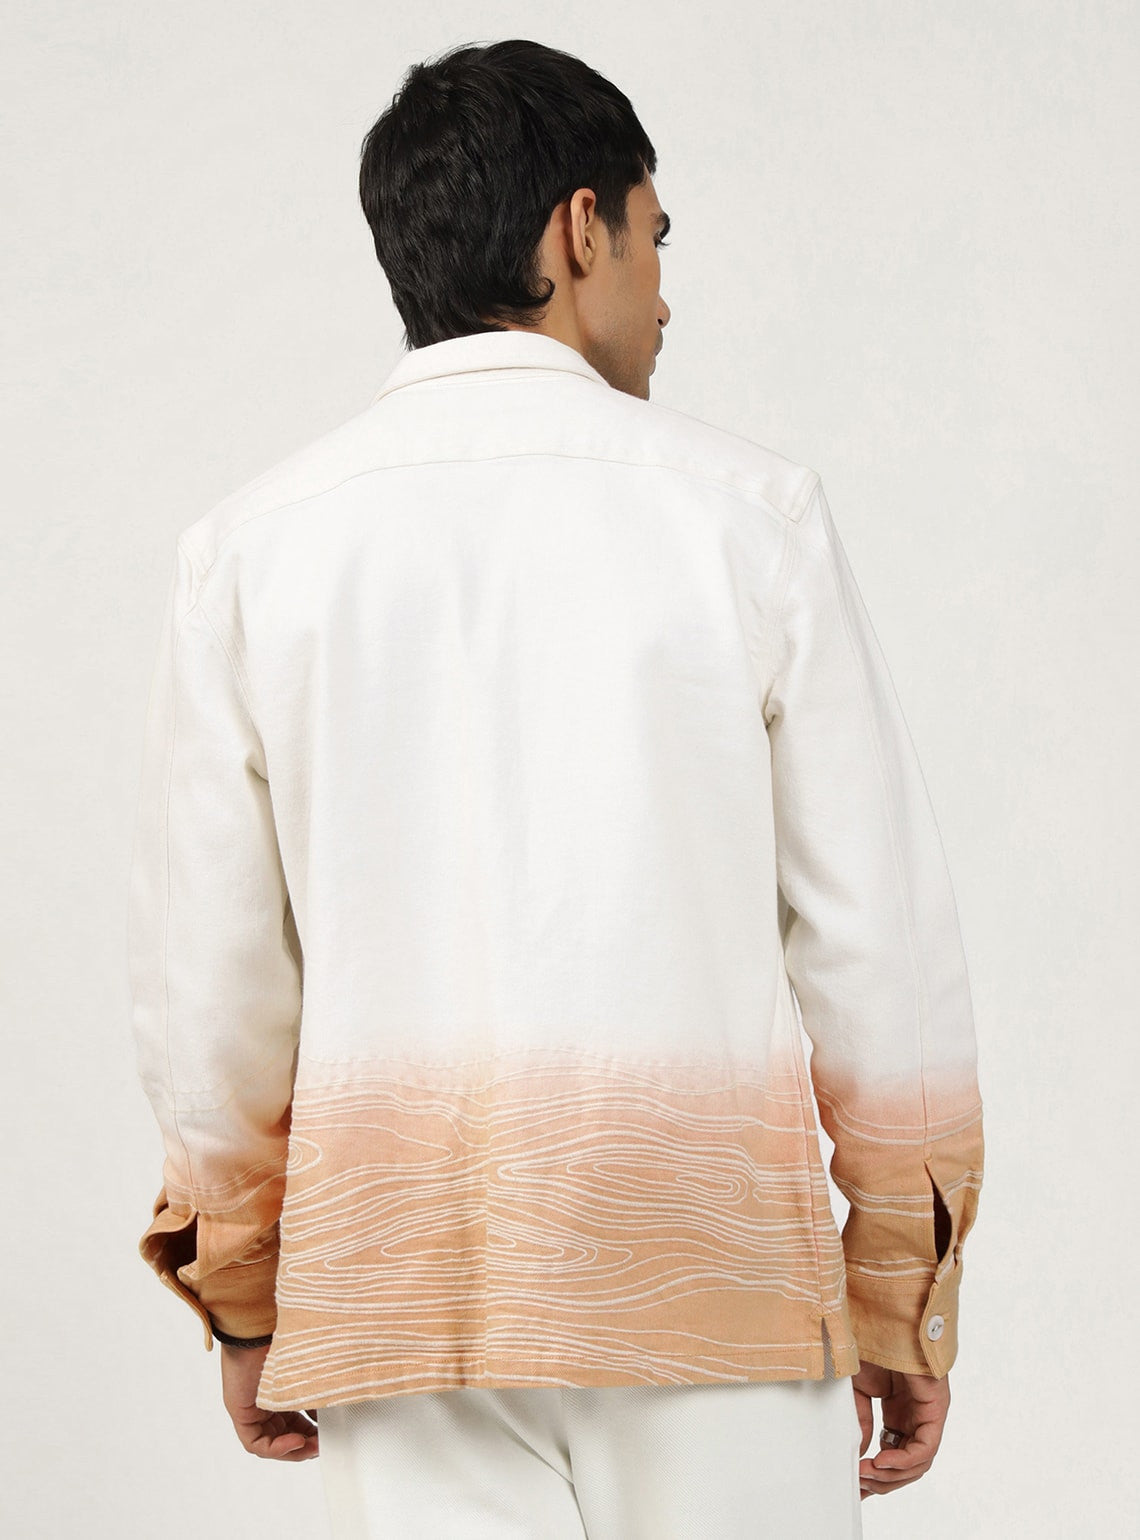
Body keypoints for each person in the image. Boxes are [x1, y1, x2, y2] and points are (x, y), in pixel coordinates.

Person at [126, 37, 985, 1539]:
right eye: (656, 237)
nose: (665, 292)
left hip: (402, 1301)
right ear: (581, 230)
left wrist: (245, 1294)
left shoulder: (250, 554)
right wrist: (901, 1289)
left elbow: (214, 984)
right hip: (710, 1286)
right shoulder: (749, 519)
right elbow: (877, 944)